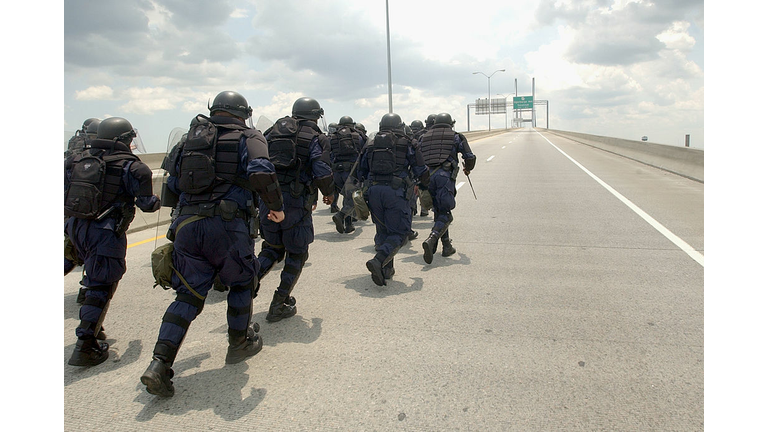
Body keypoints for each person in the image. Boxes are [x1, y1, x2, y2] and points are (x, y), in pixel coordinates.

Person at [140, 91, 285, 397]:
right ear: (243, 113)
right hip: (227, 226)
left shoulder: (188, 141)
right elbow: (262, 171)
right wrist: (275, 205)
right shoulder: (249, 136)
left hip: (187, 227)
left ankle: (159, 363)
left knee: (188, 296)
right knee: (243, 282)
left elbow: (171, 187)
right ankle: (239, 343)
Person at [64, 116, 161, 367]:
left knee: (92, 277)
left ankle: (94, 325)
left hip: (74, 226)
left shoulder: (75, 160)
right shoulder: (132, 166)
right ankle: (85, 345)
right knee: (101, 285)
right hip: (105, 230)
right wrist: (158, 200)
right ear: (123, 139)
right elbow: (147, 205)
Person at [257, 97, 335, 322]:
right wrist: (328, 193)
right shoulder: (315, 137)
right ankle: (279, 302)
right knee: (297, 252)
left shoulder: (272, 132)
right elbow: (321, 169)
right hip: (295, 203)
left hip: (268, 201)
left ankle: (245, 286)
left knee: (271, 249)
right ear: (316, 115)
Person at [358, 113, 429, 286]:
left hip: (373, 191)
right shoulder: (407, 142)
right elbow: (420, 168)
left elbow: (361, 171)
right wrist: (425, 185)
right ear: (400, 126)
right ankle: (378, 260)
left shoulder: (371, 143)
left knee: (382, 231)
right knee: (400, 233)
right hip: (395, 191)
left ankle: (386, 270)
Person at [418, 112, 476, 264]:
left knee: (439, 211)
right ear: (451, 123)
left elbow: (416, 158)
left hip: (427, 177)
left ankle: (446, 246)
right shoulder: (455, 136)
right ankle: (432, 239)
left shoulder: (423, 137)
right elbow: (469, 157)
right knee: (446, 214)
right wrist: (468, 169)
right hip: (444, 177)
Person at [329, 116, 365, 234]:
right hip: (352, 171)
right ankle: (340, 215)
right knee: (353, 197)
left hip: (337, 173)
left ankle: (349, 225)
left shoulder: (333, 136)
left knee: (347, 197)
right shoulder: (358, 136)